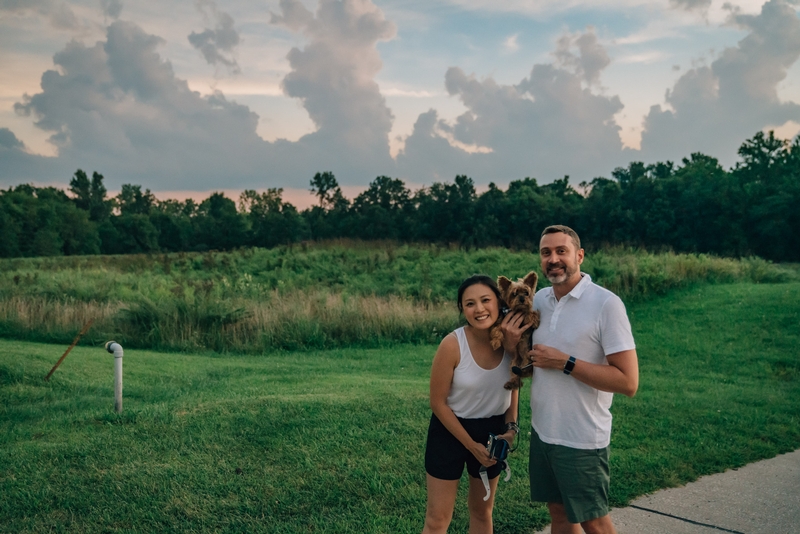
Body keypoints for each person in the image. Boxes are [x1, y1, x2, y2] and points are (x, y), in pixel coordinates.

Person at [501, 225, 639, 534]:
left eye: (561, 251)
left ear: (579, 255)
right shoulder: (540, 302)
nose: (553, 259)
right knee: (559, 514)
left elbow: (628, 382)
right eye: (546, 252)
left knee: (595, 522)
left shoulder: (606, 304)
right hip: (544, 431)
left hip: (581, 438)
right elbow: (521, 356)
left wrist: (565, 363)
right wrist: (511, 344)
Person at [422, 274, 521, 534]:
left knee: (482, 512)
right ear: (462, 309)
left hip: (492, 432)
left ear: (500, 302)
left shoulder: (511, 342)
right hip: (450, 431)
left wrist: (511, 429)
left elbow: (514, 386)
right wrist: (471, 446)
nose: (479, 309)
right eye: (470, 304)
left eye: (486, 300)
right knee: (437, 518)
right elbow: (437, 402)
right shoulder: (452, 345)